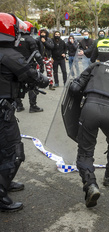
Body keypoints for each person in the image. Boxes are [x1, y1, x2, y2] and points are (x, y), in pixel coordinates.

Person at [69, 48, 109, 208]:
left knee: (85, 152)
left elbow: (75, 88)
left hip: (89, 109)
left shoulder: (96, 66)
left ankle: (90, 185)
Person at [0, 12, 49, 212]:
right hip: (2, 112)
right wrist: (43, 79)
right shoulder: (9, 55)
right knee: (14, 152)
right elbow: (32, 75)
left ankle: (5, 181)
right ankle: (1, 193)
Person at [14, 20, 45, 113]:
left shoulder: (15, 38)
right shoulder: (30, 39)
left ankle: (19, 105)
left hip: (16, 66)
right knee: (32, 85)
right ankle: (33, 106)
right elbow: (37, 54)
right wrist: (41, 65)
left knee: (17, 85)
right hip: (29, 66)